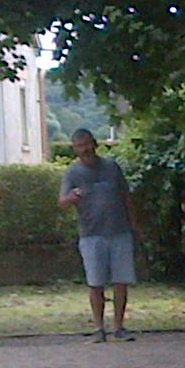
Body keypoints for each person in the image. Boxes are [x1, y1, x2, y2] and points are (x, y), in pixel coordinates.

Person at [57, 127, 143, 342]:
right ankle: (99, 328)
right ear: (75, 149)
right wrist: (71, 198)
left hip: (119, 231)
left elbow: (126, 197)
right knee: (95, 283)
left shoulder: (111, 167)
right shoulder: (73, 173)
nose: (85, 149)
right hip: (91, 234)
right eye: (79, 146)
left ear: (94, 143)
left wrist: (134, 225)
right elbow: (62, 202)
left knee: (121, 281)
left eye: (87, 144)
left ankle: (119, 327)